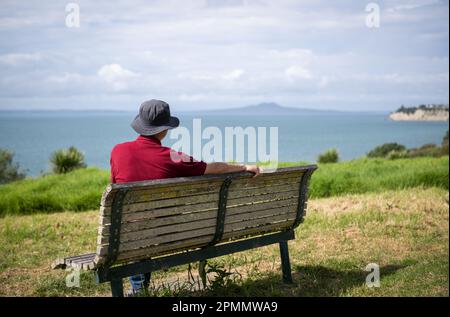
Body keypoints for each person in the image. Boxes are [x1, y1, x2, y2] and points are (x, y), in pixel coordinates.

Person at [110, 99, 261, 295]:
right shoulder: (171, 156)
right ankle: (139, 290)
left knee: (136, 224)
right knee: (149, 224)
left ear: (141, 125)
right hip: (171, 232)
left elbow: (114, 189)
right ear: (164, 129)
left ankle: (138, 289)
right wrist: (244, 167)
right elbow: (212, 168)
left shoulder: (118, 151)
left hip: (125, 234)